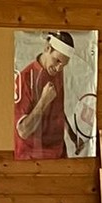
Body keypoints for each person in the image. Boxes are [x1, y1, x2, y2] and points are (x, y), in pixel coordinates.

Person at [13, 32, 74, 161]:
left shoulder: (57, 71)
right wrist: (44, 101)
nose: (59, 68)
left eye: (63, 65)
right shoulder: (24, 79)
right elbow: (23, 131)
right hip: (34, 157)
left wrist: (71, 133)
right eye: (57, 61)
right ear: (47, 48)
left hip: (59, 154)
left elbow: (58, 109)